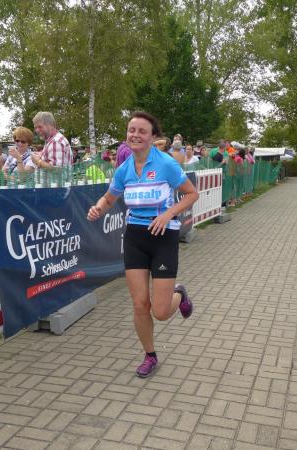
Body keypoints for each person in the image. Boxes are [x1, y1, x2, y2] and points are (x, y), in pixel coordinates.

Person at [86, 111, 199, 378]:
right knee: (139, 305)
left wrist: (168, 214)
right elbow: (109, 198)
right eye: (131, 130)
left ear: (152, 136)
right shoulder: (124, 169)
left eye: (142, 131)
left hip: (163, 236)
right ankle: (150, 355)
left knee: (160, 311)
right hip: (136, 237)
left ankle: (179, 294)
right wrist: (98, 208)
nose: (135, 135)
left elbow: (191, 194)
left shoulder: (166, 163)